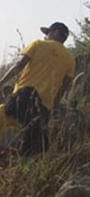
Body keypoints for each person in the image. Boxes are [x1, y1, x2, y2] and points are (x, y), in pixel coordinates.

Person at [0, 22, 76, 154]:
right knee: (31, 141)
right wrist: (54, 105)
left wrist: (1, 81)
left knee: (3, 117)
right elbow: (65, 87)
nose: (46, 36)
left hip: (23, 96)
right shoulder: (70, 59)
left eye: (48, 33)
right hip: (43, 106)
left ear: (54, 33)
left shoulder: (38, 44)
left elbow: (19, 65)